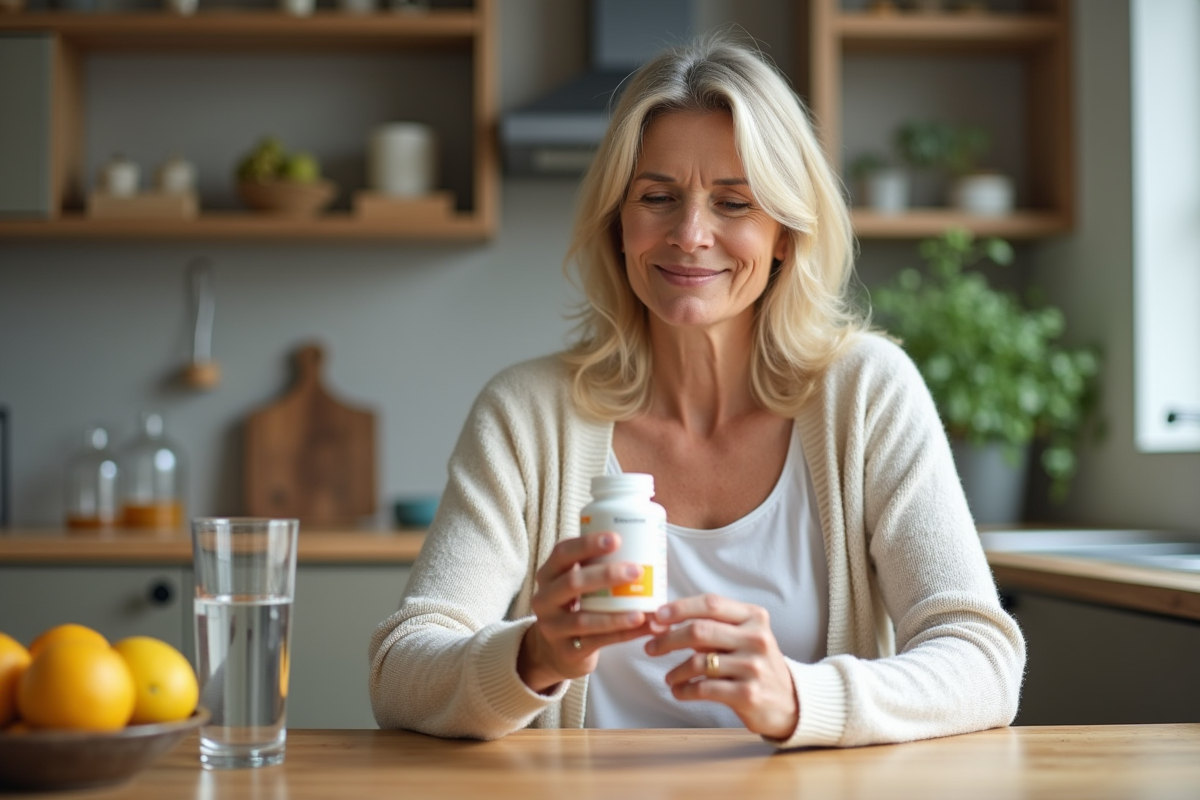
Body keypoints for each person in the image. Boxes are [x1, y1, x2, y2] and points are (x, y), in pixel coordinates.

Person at [369, 33, 1025, 749]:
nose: (689, 234)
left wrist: (800, 697)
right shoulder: (527, 414)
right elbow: (401, 669)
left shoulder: (867, 394)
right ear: (618, 223)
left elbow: (983, 661)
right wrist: (534, 656)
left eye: (734, 203)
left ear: (785, 234)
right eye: (657, 197)